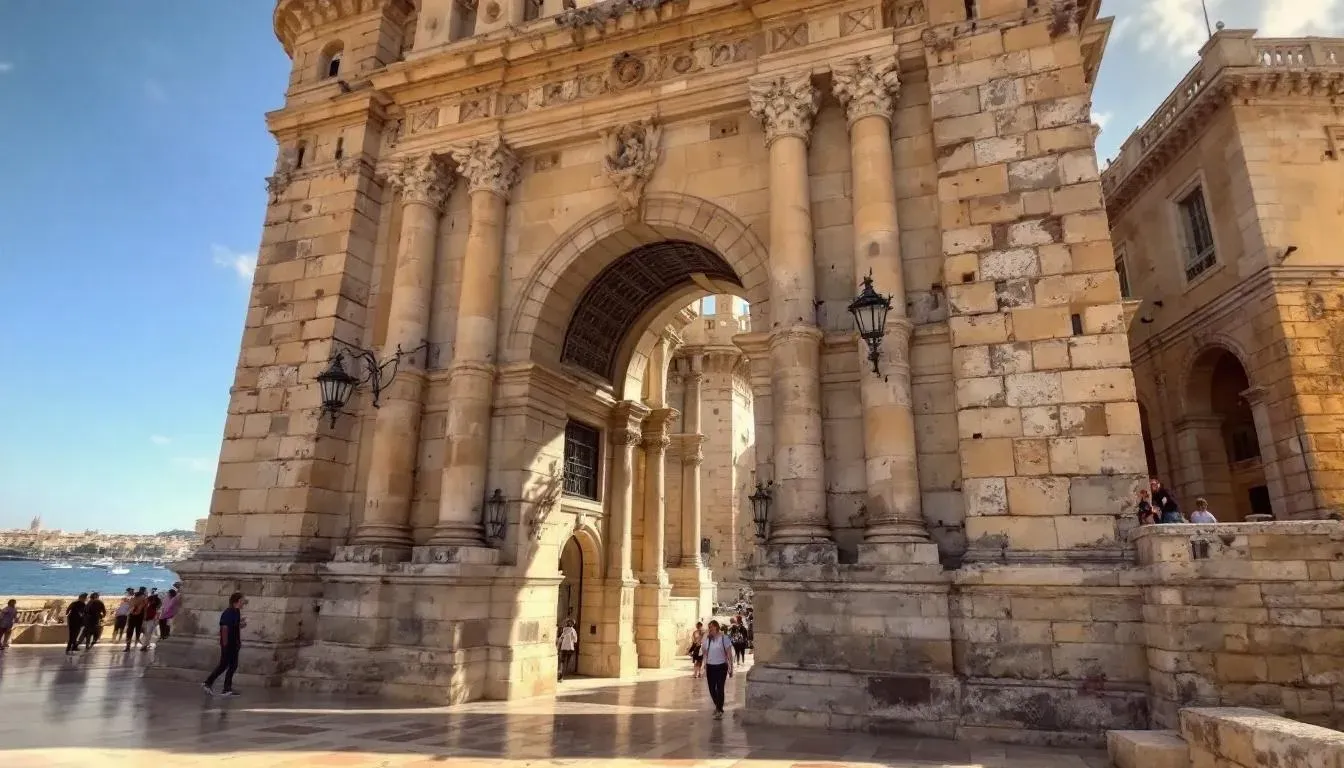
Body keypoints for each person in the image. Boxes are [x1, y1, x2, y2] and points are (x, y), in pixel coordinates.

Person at [202, 592, 246, 697]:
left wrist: (240, 625)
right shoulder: (228, 612)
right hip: (228, 644)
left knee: (233, 665)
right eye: (243, 600)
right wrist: (225, 644)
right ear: (238, 601)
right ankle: (208, 683)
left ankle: (227, 688)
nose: (244, 603)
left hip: (235, 643)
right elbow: (224, 628)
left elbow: (234, 626)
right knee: (223, 665)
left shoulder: (237, 612)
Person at [701, 620, 735, 719]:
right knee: (712, 689)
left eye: (711, 627)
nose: (709, 629)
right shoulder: (708, 639)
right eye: (709, 627)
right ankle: (718, 706)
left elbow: (729, 654)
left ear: (716, 627)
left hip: (721, 667)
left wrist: (731, 667)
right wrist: (705, 665)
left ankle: (719, 710)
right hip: (710, 666)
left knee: (720, 688)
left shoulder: (724, 638)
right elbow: (704, 652)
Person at [124, 588, 147, 652]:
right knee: (138, 631)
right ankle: (138, 644)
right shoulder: (143, 599)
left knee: (130, 631)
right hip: (139, 617)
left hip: (132, 617)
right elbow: (145, 609)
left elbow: (129, 608)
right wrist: (145, 618)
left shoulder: (132, 599)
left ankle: (128, 646)